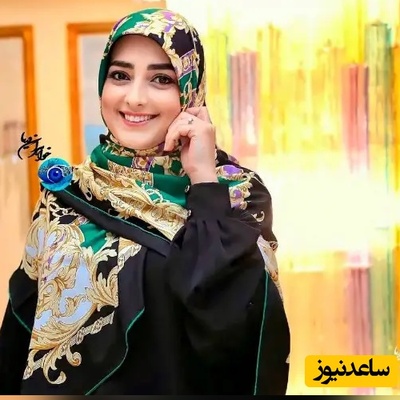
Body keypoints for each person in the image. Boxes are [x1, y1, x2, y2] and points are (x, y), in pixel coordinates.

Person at [0, 8, 290, 395]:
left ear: (190, 91)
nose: (134, 98)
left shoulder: (236, 194)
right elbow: (22, 324)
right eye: (120, 75)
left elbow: (233, 323)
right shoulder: (69, 193)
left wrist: (203, 181)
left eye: (161, 79)